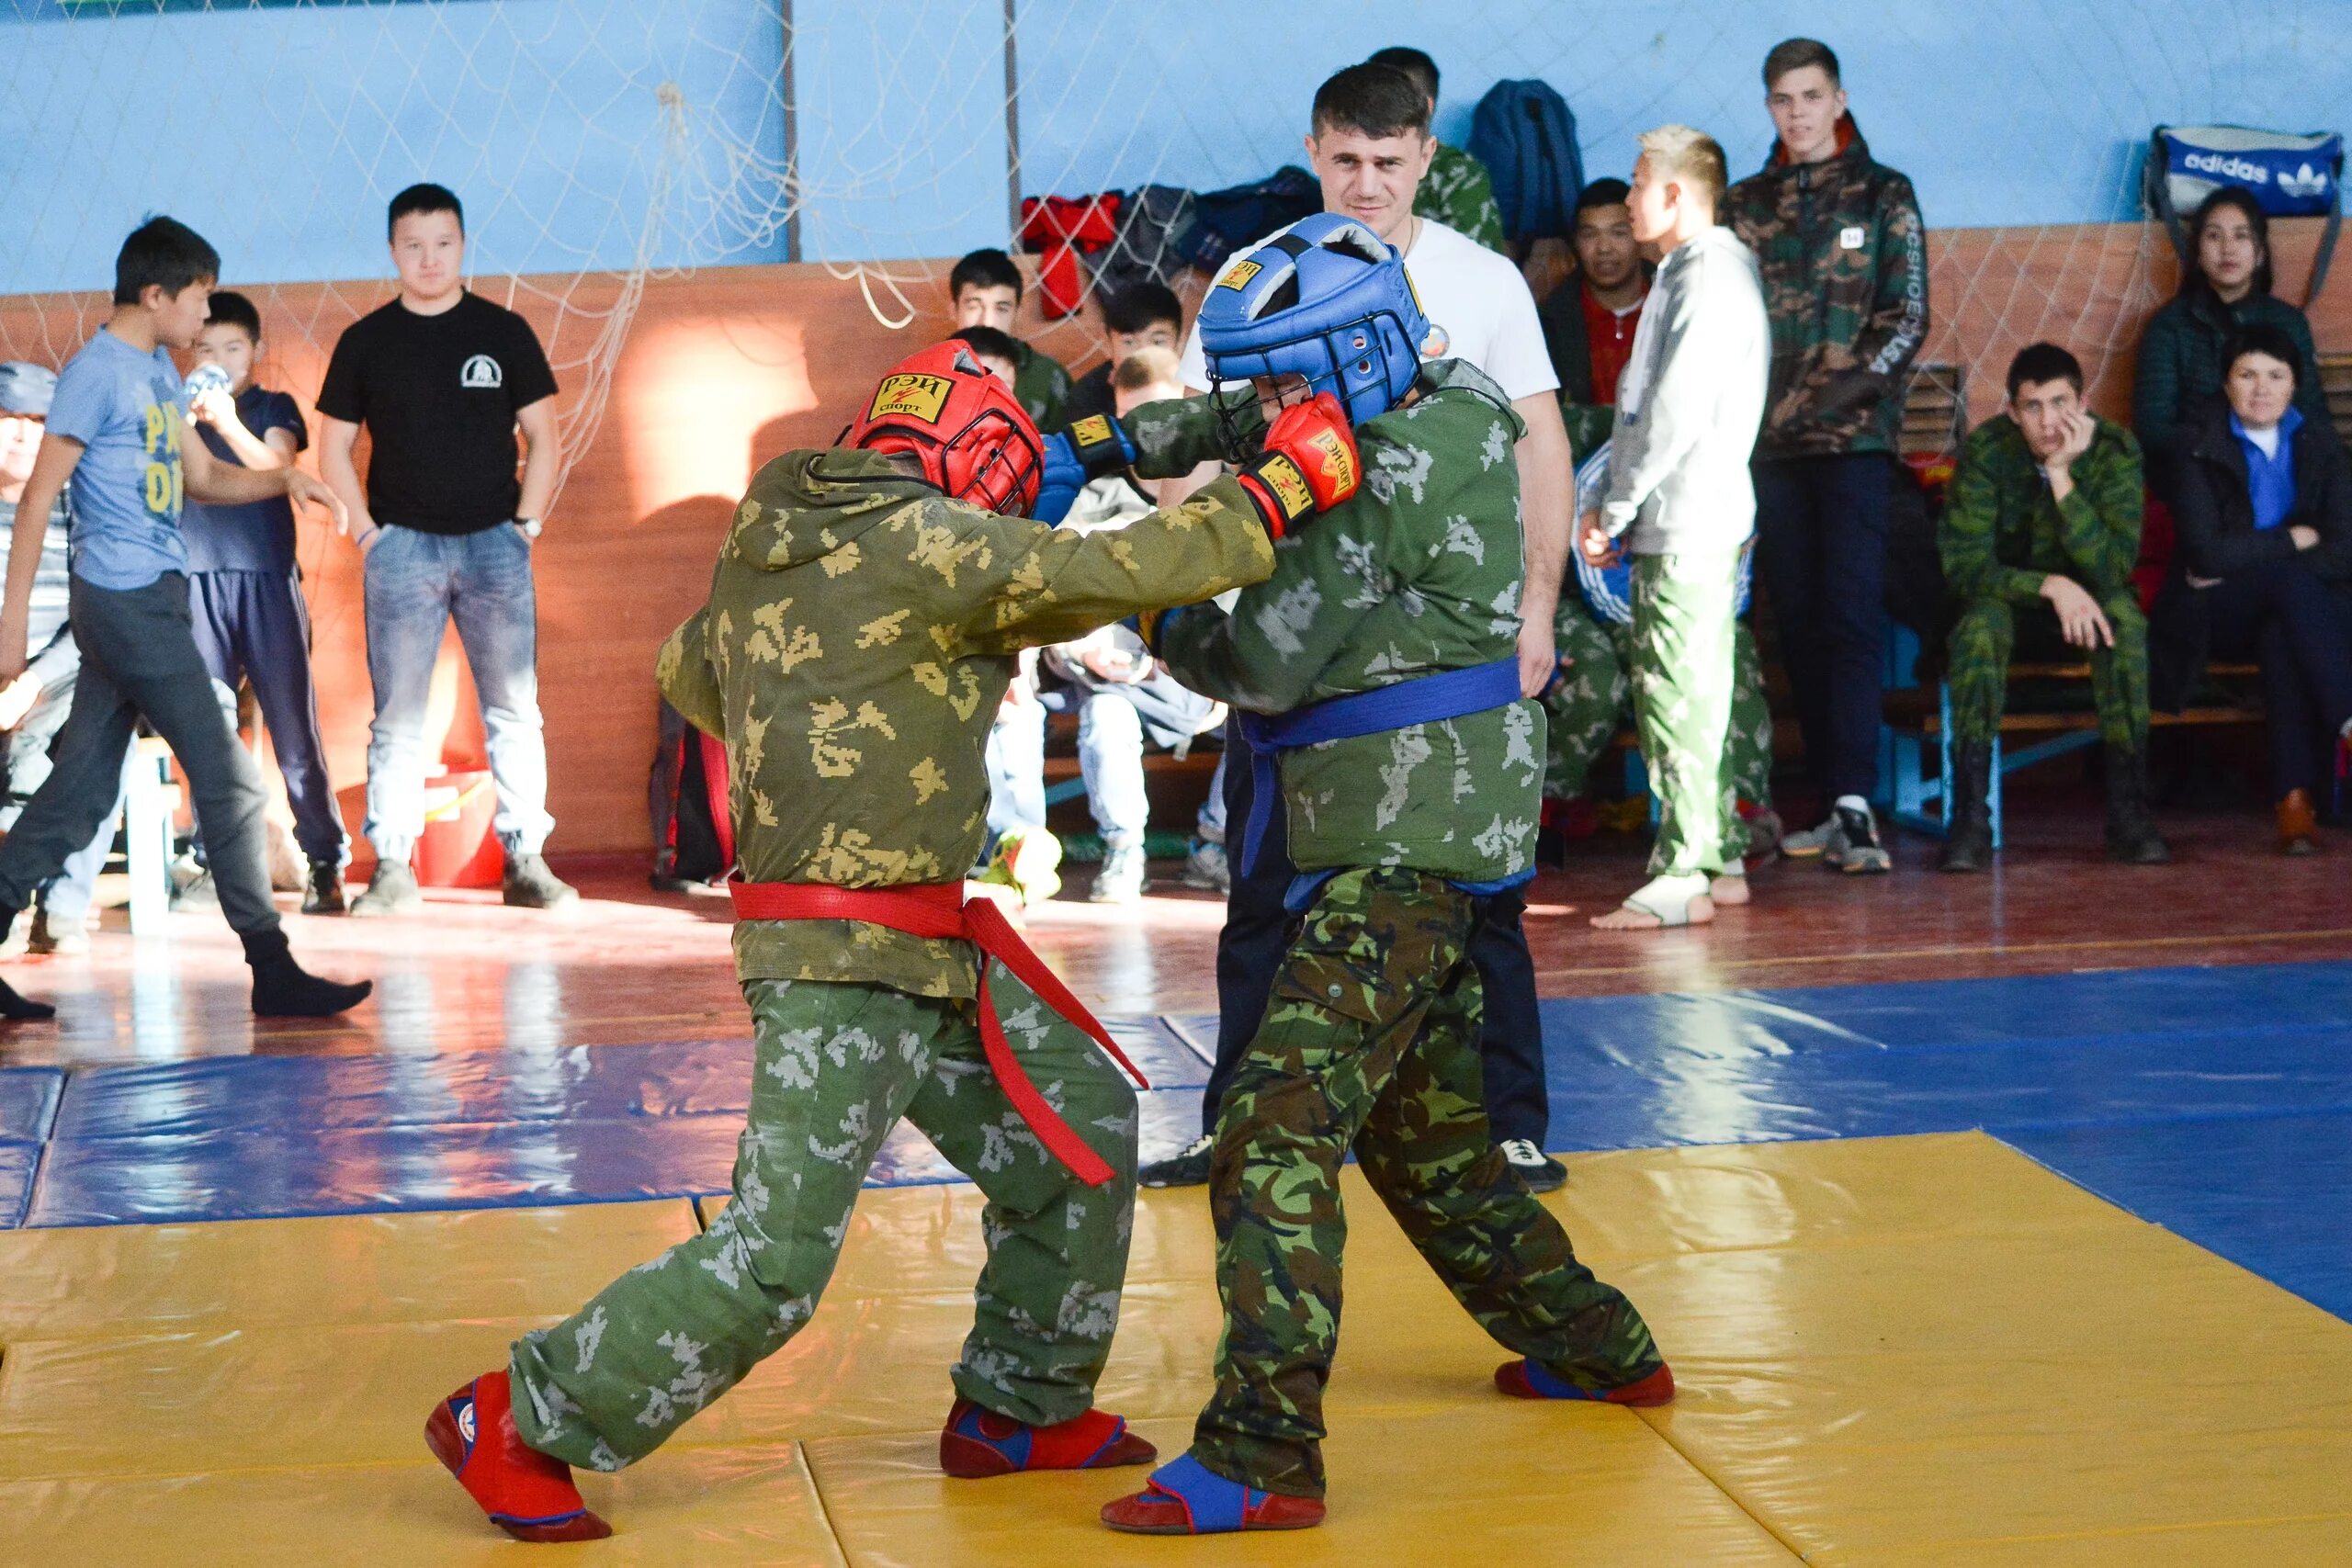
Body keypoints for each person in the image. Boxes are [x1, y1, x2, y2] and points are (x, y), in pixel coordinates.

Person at [423, 337, 1350, 1543]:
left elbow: (687, 666)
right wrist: (1273, 488)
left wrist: (853, 701)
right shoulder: (929, 542)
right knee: (774, 1258)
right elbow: (1125, 564)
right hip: (842, 957)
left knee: (1078, 1136)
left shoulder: (780, 538)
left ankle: (1022, 1401)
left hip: (922, 939)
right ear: (974, 455)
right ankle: (517, 1412)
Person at [1099, 214, 1670, 1539]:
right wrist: (1131, 437)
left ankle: (1261, 1450)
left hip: (1397, 848)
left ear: (1352, 355)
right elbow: (1276, 433)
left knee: (1272, 1127)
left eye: (1290, 377)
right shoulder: (1446, 387)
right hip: (1440, 836)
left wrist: (1139, 597)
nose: (1273, 406)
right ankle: (1599, 1341)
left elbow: (1261, 661)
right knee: (1434, 1148)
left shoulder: (1391, 478)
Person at [1156, 60, 1577, 1194]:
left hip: (1445, 661)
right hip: (1298, 650)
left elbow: (1541, 446)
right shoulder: (1264, 280)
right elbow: (1200, 446)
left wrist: (1538, 605)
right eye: (1345, 160)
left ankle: (1506, 1122)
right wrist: (1184, 563)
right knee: (1262, 895)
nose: (1366, 183)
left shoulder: (1481, 282)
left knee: (1475, 899)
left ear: (1426, 157)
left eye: (1389, 163)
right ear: (1314, 151)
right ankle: (1234, 1122)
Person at [0, 218, 369, 1021]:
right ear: (155, 293)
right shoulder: (94, 375)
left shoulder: (164, 377)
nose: (207, 316)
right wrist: (11, 632)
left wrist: (285, 482)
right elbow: (35, 504)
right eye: (199, 296)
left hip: (154, 597)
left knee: (80, 791)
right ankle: (271, 966)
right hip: (124, 601)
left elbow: (202, 477)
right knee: (231, 777)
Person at [318, 183, 576, 916]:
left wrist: (524, 525)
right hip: (401, 549)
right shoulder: (365, 340)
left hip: (497, 544)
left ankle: (526, 857)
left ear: (463, 247)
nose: (429, 259)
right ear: (393, 251)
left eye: (443, 243)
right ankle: (392, 864)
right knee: (397, 714)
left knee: (514, 709)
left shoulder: (505, 330)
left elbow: (545, 439)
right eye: (413, 245)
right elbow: (333, 449)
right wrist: (368, 531)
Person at [1727, 37, 1928, 874]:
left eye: (1812, 96)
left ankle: (1855, 801)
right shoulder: (1743, 204)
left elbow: (1906, 319)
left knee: (1850, 616)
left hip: (1851, 447)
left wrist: (1830, 403)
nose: (1798, 113)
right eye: (1783, 99)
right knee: (1797, 622)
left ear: (1838, 99)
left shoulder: (1886, 194)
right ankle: (1829, 802)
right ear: (1769, 107)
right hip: (1767, 452)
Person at [1577, 128, 1770, 930]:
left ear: (1676, 195)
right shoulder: (1696, 271)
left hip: (1685, 517)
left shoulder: (1708, 274)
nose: (1625, 201)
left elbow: (1674, 408)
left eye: (1636, 184)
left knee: (1677, 695)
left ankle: (1682, 869)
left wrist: (1615, 504)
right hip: (1687, 514)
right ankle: (1718, 852)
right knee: (1695, 687)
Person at [1939, 343, 2168, 871]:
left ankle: (2131, 815)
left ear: (2082, 403)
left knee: (2125, 622)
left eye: (2060, 403)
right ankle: (1971, 820)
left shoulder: (2114, 450)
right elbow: (1965, 567)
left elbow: (2112, 568)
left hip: (2093, 601)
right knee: (1977, 628)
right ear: (2012, 412)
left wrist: (2063, 478)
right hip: (2010, 602)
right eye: (2033, 407)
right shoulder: (1988, 451)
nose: (2048, 421)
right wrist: (2050, 586)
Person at [175, 288, 350, 913]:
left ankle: (324, 861)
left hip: (266, 580)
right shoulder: (172, 410)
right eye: (205, 347)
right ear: (187, 352)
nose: (218, 357)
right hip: (196, 581)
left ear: (255, 351)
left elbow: (278, 467)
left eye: (232, 347)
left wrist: (225, 420)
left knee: (292, 727)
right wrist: (191, 419)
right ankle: (213, 860)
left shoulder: (273, 406)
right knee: (206, 730)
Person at [1037, 348, 1227, 903]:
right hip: (1117, 681)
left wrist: (1226, 673)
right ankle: (1124, 852)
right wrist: (1084, 650)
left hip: (1204, 678)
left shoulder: (1219, 498)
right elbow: (1053, 603)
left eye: (1163, 417)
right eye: (1135, 422)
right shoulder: (1089, 504)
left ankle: (1213, 846)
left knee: (1259, 720)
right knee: (1104, 716)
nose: (1152, 436)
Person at [2153, 324, 2352, 854]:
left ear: (2293, 387)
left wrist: (2254, 554)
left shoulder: (2324, 447)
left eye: (2275, 376)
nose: (2261, 388)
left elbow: (2343, 550)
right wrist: (2293, 537)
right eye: (2247, 374)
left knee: (2282, 634)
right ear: (2226, 383)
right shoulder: (2196, 447)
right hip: (2212, 613)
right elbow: (2206, 555)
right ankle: (2348, 718)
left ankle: (2294, 804)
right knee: (2289, 584)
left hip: (2292, 612)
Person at [0, 362, 119, 957]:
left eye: (36, 423)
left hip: (62, 670)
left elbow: (94, 617)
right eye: (8, 421)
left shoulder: (82, 507)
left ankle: (58, 904)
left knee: (103, 732)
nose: (22, 435)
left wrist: (32, 682)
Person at [2133, 187, 2327, 491]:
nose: (2228, 249)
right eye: (2214, 236)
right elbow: (2154, 429)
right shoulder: (2169, 326)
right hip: (2197, 477)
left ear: (2260, 251)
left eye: (2241, 236)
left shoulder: (2288, 323)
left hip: (2279, 473)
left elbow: (2312, 417)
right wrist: (2226, 454)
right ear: (2197, 252)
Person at [1538, 177, 1653, 459]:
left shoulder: (1671, 304)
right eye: (1590, 235)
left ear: (1640, 235)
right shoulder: (1550, 322)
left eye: (1619, 232)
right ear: (1575, 242)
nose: (1604, 248)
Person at [1364, 45, 1508, 254]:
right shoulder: (1353, 167)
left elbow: (1470, 266)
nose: (1371, 112)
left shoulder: (1457, 175)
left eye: (1388, 102)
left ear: (1425, 108)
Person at [949, 248, 1072, 430]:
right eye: (974, 307)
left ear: (1017, 313)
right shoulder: (926, 374)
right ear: (953, 310)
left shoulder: (1048, 377)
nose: (987, 321)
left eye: (1001, 309)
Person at [1061, 282, 1184, 429]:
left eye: (1157, 342)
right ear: (1107, 343)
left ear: (1180, 343)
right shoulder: (1086, 398)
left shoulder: (1202, 389)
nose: (1143, 355)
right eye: (1129, 343)